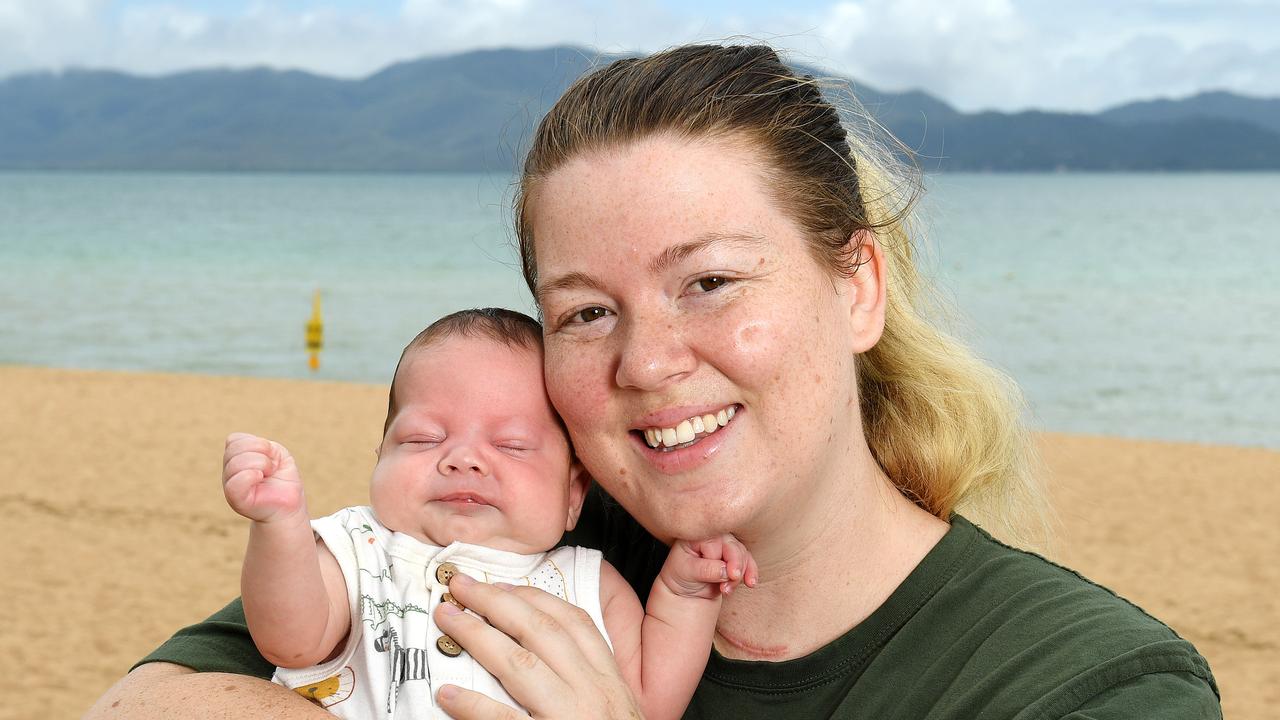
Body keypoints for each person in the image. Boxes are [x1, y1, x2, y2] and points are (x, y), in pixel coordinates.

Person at [87, 43, 1221, 719]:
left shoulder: (1077, 683)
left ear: (857, 286)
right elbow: (147, 701)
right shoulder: (533, 549)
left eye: (711, 281)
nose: (644, 362)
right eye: (586, 311)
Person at [220, 308, 755, 719]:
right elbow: (290, 638)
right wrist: (280, 527)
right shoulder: (357, 548)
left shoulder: (587, 582)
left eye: (514, 445)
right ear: (379, 458)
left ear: (574, 495)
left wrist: (686, 594)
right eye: (423, 438)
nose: (463, 459)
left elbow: (646, 702)